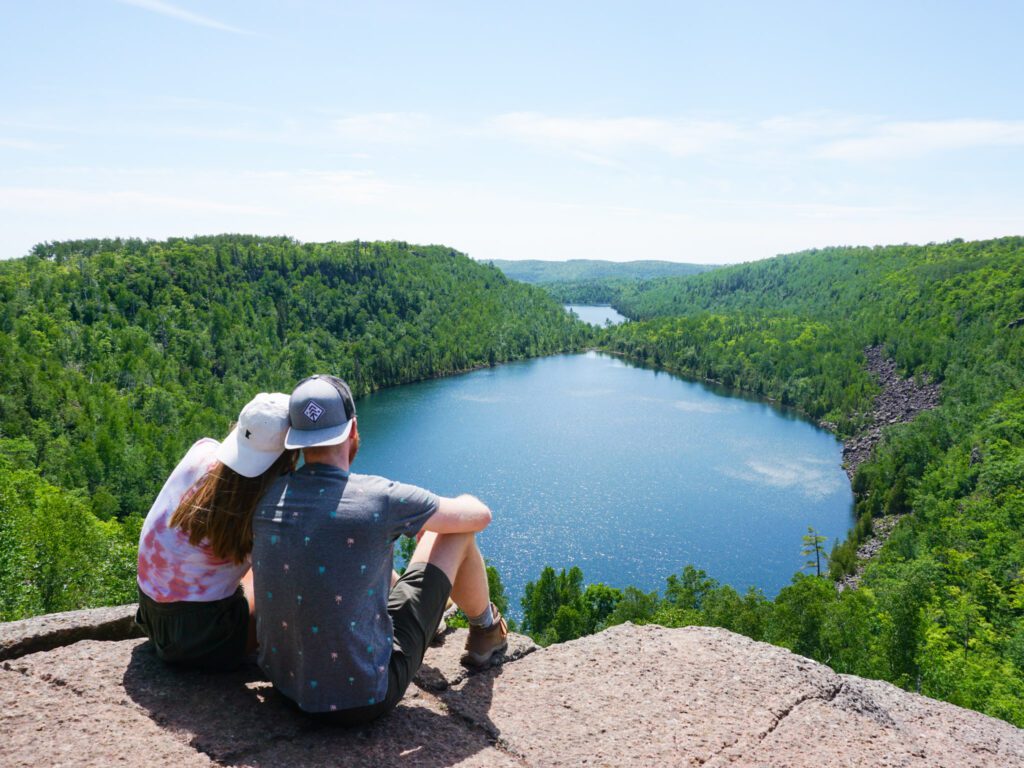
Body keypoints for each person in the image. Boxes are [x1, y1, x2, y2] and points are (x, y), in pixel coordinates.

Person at [252, 374, 507, 724]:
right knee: (453, 533)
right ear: (354, 429)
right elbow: (480, 517)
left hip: (286, 686)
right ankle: (486, 632)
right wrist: (443, 514)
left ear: (296, 442)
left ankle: (468, 628)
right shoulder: (377, 498)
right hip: (363, 697)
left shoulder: (268, 495)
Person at [135, 392, 295, 670]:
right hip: (202, 638)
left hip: (150, 614)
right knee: (293, 575)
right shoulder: (266, 506)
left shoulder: (203, 450)